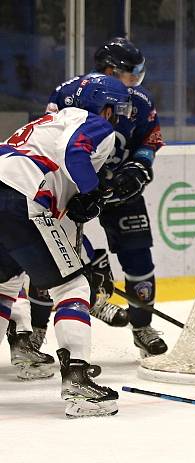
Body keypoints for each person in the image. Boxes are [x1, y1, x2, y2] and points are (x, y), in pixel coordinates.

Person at [12, 37, 167, 359]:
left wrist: (138, 167)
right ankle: (38, 330)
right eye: (131, 73)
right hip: (70, 187)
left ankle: (142, 328)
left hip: (120, 189)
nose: (136, 81)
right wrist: (86, 188)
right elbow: (57, 139)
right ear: (111, 69)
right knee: (51, 257)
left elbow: (150, 139)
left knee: (138, 255)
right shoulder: (71, 92)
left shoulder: (139, 100)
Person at [0, 74, 130, 417]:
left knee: (5, 285)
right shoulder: (93, 123)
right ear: (104, 107)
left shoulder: (46, 124)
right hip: (20, 200)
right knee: (72, 285)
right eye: (115, 110)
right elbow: (77, 153)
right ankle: (78, 381)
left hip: (11, 193)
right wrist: (90, 192)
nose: (115, 117)